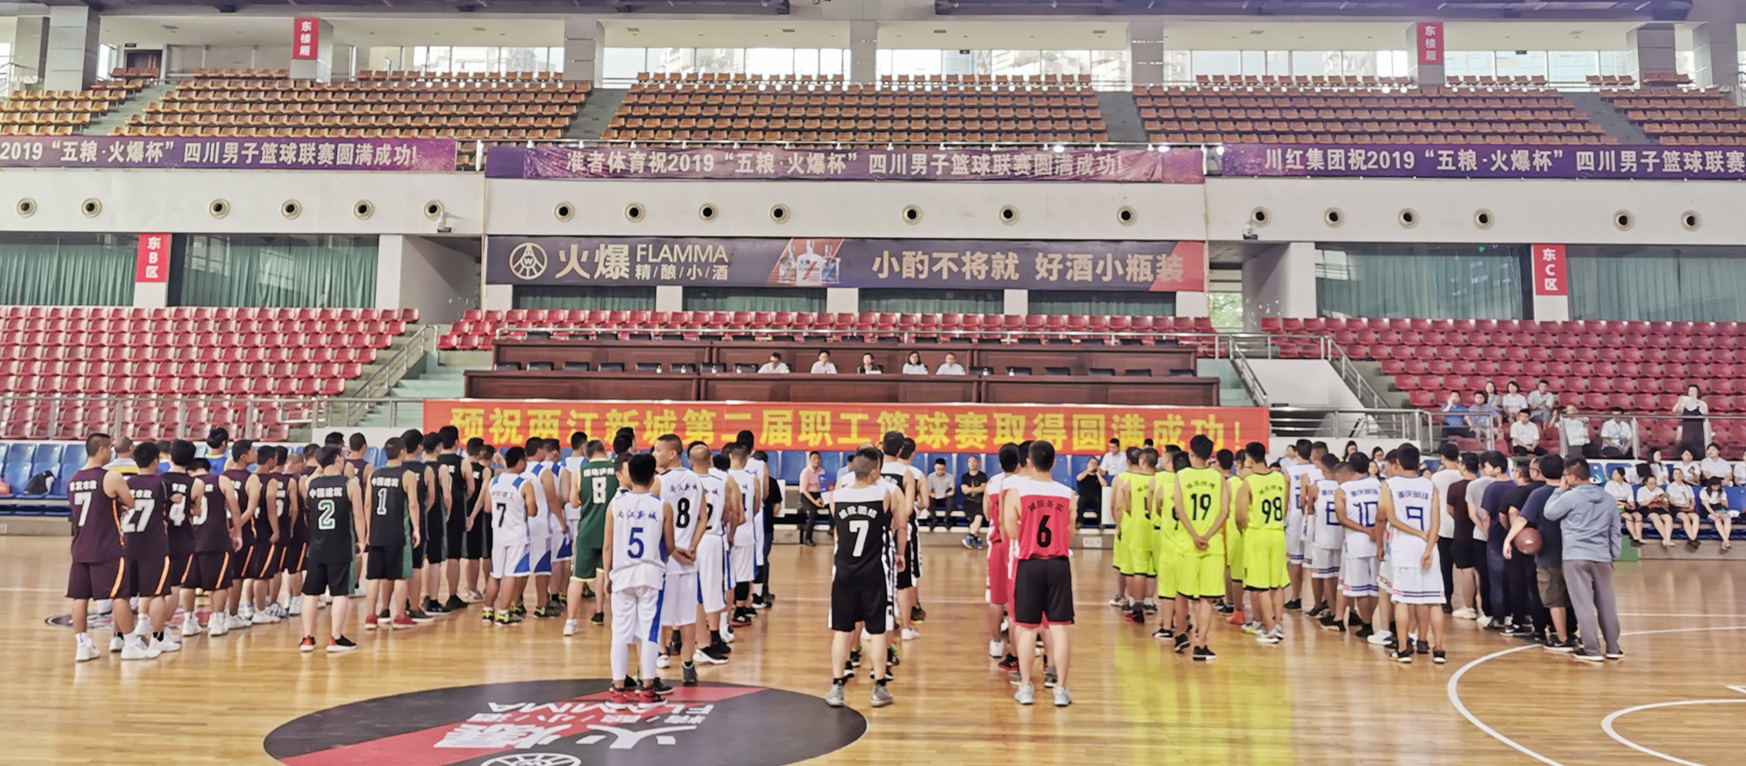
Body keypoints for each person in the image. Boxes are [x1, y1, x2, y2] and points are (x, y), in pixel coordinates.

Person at [824, 446, 900, 709]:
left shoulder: (836, 496)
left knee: (842, 630)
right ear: (875, 472)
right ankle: (879, 688)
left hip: (844, 571)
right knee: (877, 631)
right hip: (873, 571)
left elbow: (838, 530)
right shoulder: (885, 493)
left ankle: (837, 687)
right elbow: (897, 523)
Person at [1003, 440, 1076, 707]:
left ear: (1029, 463)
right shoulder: (1068, 494)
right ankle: (1061, 689)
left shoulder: (1017, 491)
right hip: (1058, 564)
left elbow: (1011, 531)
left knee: (1026, 627)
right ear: (1054, 463)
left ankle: (1025, 687)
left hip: (1029, 563)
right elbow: (1070, 533)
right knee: (1059, 628)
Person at [604, 454, 676, 707]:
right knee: (649, 633)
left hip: (622, 573)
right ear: (653, 477)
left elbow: (607, 546)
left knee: (620, 633)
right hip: (650, 574)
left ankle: (617, 691)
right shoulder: (663, 506)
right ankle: (647, 690)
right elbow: (669, 545)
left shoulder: (615, 505)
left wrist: (607, 574)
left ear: (629, 476)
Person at [67, 434, 145, 662]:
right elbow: (130, 502)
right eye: (109, 448)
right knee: (119, 595)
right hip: (107, 546)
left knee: (79, 597)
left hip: (80, 545)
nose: (111, 452)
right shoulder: (111, 476)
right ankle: (130, 644)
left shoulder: (73, 479)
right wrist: (117, 505)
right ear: (101, 449)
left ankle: (83, 645)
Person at [1542, 458, 1625, 662]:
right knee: (1607, 604)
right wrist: (1613, 555)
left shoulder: (1570, 497)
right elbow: (1615, 530)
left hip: (1576, 555)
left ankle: (1591, 649)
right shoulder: (1608, 498)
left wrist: (1558, 491)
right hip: (1602, 556)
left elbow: (1550, 513)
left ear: (1573, 477)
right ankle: (1613, 647)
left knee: (1583, 604)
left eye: (1565, 476)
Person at [1381, 443, 1445, 664]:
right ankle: (1439, 650)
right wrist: (1428, 548)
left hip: (1404, 546)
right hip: (1429, 546)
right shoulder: (1430, 486)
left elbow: (1391, 519)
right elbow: (1436, 522)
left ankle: (1403, 649)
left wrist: (1417, 533)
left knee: (1402, 600)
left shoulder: (1389, 485)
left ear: (1398, 462)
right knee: (1434, 601)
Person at [1504, 455, 1575, 652]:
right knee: (1572, 594)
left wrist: (1508, 539)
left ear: (1541, 472)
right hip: (1572, 551)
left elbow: (1521, 519)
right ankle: (1572, 632)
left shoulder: (1538, 494)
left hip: (1547, 552)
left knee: (1551, 596)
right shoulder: (1573, 492)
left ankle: (1558, 636)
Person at [651, 434, 706, 684]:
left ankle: (661, 654)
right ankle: (688, 664)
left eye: (658, 450)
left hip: (667, 558)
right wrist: (692, 547)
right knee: (687, 616)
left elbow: (656, 522)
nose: (654, 454)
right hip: (690, 558)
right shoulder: (696, 479)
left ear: (672, 454)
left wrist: (672, 550)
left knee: (660, 613)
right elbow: (703, 518)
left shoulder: (659, 482)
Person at [300, 446, 365, 653]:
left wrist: (321, 466)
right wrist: (362, 540)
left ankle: (307, 638)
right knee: (340, 593)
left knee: (311, 593)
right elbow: (359, 516)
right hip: (340, 545)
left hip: (316, 545)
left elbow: (313, 479)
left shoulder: (311, 483)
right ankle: (335, 638)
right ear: (337, 459)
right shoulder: (350, 484)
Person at [1175, 435, 1230, 662]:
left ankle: (1180, 634)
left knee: (1184, 594)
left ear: (1191, 453)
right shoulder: (1218, 478)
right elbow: (1224, 511)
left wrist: (1195, 535)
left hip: (1188, 544)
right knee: (1207, 598)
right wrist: (1207, 536)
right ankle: (1201, 645)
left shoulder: (1181, 476)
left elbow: (1180, 510)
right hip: (1212, 545)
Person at [364, 438, 421, 631]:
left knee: (374, 576)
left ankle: (370, 617)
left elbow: (368, 504)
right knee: (400, 576)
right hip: (397, 531)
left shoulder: (374, 475)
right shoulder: (407, 475)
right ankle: (400, 616)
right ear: (403, 452)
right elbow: (413, 504)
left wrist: (368, 530)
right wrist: (416, 528)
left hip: (377, 531)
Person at [1234, 442, 1287, 643]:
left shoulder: (1248, 483)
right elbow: (1285, 506)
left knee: (1261, 585)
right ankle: (1278, 624)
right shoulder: (1280, 477)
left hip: (1257, 534)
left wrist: (1245, 531)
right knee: (1278, 583)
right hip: (1277, 533)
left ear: (1248, 459)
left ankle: (1270, 629)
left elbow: (1240, 517)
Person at [562, 437, 610, 633]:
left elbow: (573, 502)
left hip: (588, 529)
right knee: (603, 573)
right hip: (610, 530)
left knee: (578, 577)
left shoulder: (580, 472)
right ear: (604, 451)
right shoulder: (616, 469)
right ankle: (599, 612)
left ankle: (570, 622)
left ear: (586, 455)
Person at [1334, 454, 1382, 640]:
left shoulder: (1343, 489)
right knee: (1376, 586)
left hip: (1356, 543)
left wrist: (1365, 530)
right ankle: (1373, 622)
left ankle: (1367, 624)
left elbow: (1342, 518)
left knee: (1360, 588)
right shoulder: (1378, 485)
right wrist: (1375, 530)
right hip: (1378, 541)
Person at [1430, 442, 1463, 609]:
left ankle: (1447, 600)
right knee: (1467, 567)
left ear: (1443, 458)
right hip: (1463, 525)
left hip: (1443, 525)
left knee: (1445, 565)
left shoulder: (1436, 477)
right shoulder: (1463, 475)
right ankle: (1471, 602)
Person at [1448, 454, 1481, 621]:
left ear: (1464, 466)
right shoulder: (1484, 485)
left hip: (1462, 533)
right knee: (1481, 571)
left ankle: (1469, 607)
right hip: (1482, 533)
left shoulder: (1455, 487)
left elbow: (1450, 510)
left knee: (1466, 570)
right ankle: (1486, 608)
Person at [1636, 466, 1677, 549]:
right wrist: (1652, 499)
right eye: (1651, 483)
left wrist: (1661, 500)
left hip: (1659, 507)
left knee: (1668, 518)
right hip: (1648, 509)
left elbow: (1666, 501)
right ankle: (1665, 538)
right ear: (1646, 483)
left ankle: (1667, 538)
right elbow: (1641, 503)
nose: (1653, 485)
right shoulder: (1641, 490)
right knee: (1655, 518)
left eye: (1654, 483)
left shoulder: (1659, 490)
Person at [1605, 466, 1644, 547]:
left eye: (1616, 474)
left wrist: (1631, 505)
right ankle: (1634, 536)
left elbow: (1630, 498)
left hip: (1626, 504)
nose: (1613, 475)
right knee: (1628, 517)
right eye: (1613, 474)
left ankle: (1639, 537)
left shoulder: (1627, 486)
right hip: (1615, 505)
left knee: (1638, 516)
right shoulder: (1609, 484)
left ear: (1621, 476)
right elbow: (1609, 498)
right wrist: (1623, 504)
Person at [959, 456, 989, 549]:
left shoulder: (982, 476)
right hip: (969, 502)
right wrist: (977, 489)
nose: (972, 464)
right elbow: (964, 490)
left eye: (974, 461)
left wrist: (970, 489)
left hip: (980, 501)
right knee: (974, 520)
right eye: (970, 462)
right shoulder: (965, 476)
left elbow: (983, 488)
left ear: (978, 463)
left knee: (979, 517)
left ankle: (970, 537)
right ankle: (976, 538)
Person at [1668, 467, 1701, 549]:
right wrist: (1682, 505)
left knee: (1696, 517)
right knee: (1685, 517)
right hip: (1678, 508)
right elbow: (1672, 501)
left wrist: (1692, 505)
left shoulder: (1688, 487)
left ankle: (1693, 536)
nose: (1678, 475)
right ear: (1673, 476)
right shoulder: (1670, 487)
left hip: (1688, 508)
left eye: (1680, 473)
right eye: (1676, 474)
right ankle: (1692, 538)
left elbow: (1692, 499)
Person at [797, 451, 825, 547]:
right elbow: (804, 490)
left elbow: (824, 487)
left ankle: (831, 529)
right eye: (814, 459)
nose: (817, 461)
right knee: (813, 512)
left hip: (818, 495)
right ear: (810, 460)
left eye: (818, 459)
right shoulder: (805, 472)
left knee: (833, 506)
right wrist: (814, 502)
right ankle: (808, 538)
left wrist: (821, 498)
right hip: (807, 495)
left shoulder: (822, 471)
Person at [1674, 385, 1710, 456]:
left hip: (1698, 430)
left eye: (1694, 391)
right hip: (1687, 429)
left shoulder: (1702, 403)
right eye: (1690, 391)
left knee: (1698, 448)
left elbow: (1706, 412)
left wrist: (1697, 401)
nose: (1692, 393)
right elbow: (1675, 410)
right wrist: (1679, 402)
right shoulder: (1684, 404)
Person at [1700, 477, 1733, 552]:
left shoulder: (1722, 491)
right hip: (1708, 509)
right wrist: (1714, 514)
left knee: (1727, 519)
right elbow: (1707, 506)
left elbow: (1726, 505)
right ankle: (1726, 541)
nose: (1716, 487)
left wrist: (1721, 500)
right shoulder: (1704, 491)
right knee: (1717, 519)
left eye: (1718, 486)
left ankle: (1725, 541)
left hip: (1719, 507)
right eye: (1714, 486)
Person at [926, 459, 955, 532]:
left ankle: (946, 519)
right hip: (935, 497)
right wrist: (932, 495)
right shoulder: (930, 477)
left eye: (942, 469)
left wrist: (946, 495)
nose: (940, 471)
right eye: (938, 469)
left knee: (952, 500)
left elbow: (952, 491)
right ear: (935, 468)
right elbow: (928, 491)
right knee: (928, 500)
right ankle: (934, 519)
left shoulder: (950, 477)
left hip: (945, 497)